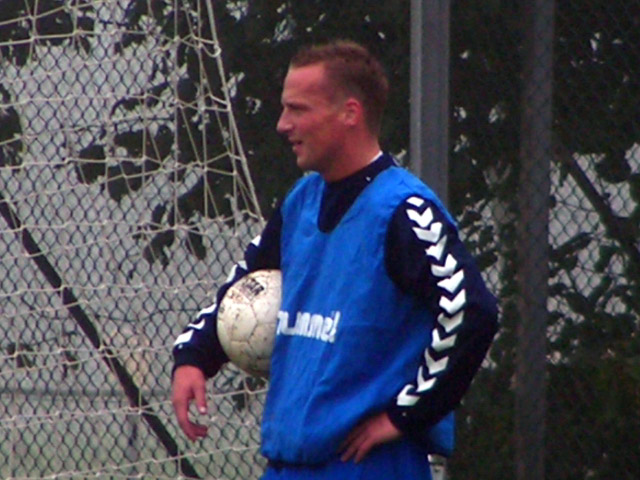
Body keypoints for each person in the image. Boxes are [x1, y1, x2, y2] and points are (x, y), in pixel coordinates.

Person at [172, 40, 498, 479]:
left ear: (350, 112)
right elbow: (244, 281)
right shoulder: (301, 201)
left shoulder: (402, 209)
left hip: (365, 464)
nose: (282, 125)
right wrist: (195, 354)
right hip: (290, 464)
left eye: (297, 109)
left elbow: (471, 310)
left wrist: (405, 414)